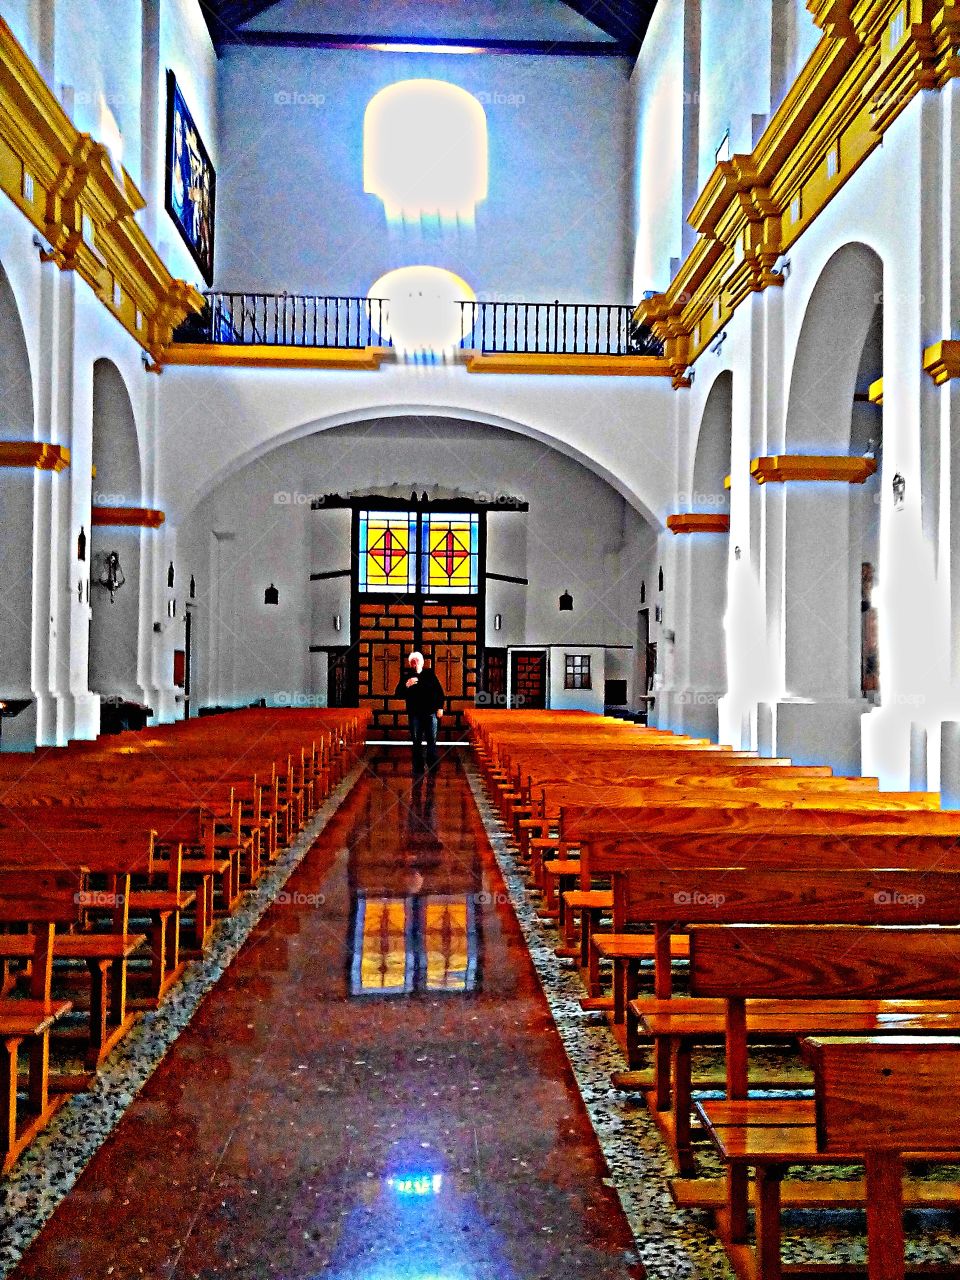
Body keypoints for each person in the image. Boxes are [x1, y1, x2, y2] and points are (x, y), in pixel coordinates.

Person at [394, 651, 445, 772]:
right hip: (415, 714)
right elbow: (398, 693)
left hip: (430, 713)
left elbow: (439, 692)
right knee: (416, 740)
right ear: (410, 663)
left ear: (422, 662)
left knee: (432, 739)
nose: (415, 663)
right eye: (413, 661)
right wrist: (406, 685)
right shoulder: (407, 676)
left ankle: (432, 764)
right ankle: (418, 766)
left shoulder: (430, 675)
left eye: (417, 660)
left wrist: (440, 707)